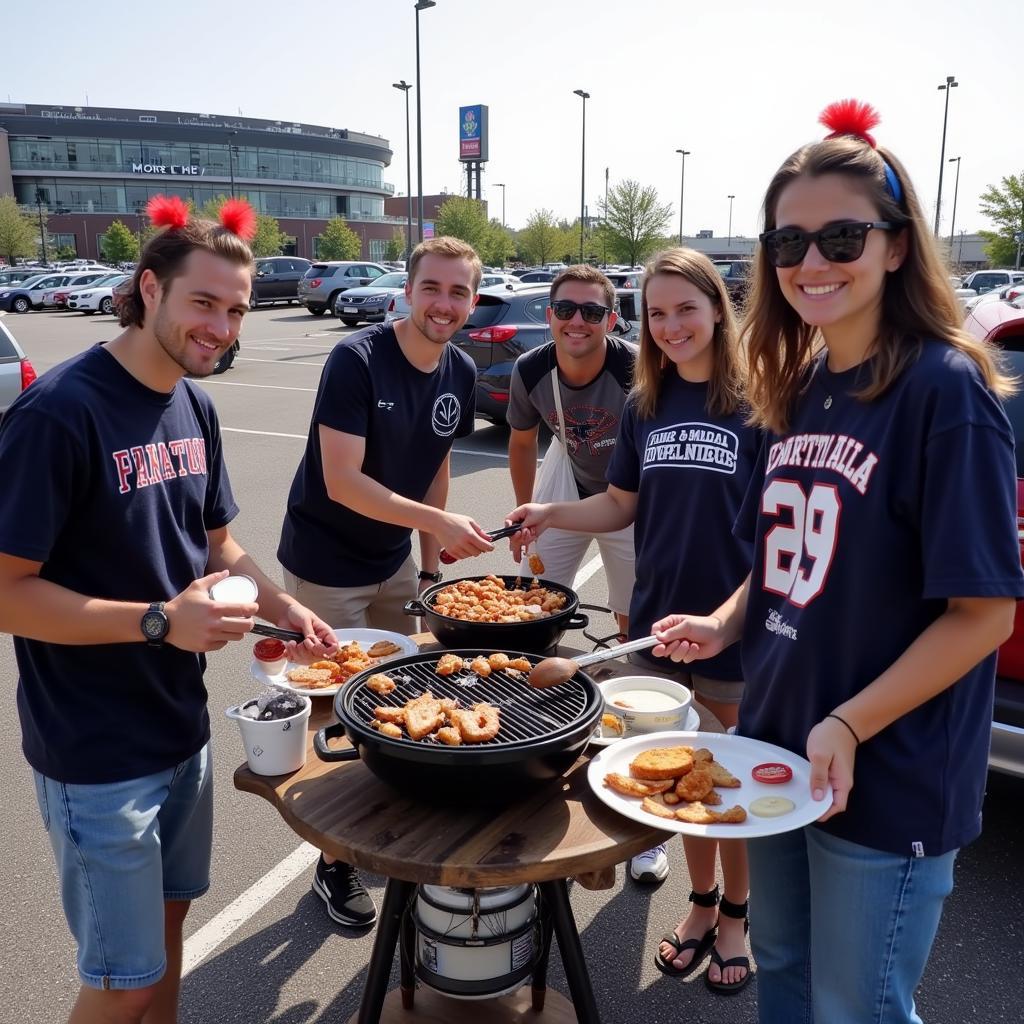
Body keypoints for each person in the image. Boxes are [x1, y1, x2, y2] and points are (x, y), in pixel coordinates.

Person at [651, 100, 1023, 1024]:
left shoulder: (948, 388)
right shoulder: (801, 379)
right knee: (781, 972)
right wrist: (724, 621)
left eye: (842, 237)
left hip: (883, 770)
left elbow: (985, 615)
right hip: (777, 744)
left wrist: (851, 725)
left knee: (854, 1007)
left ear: (896, 246)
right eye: (788, 244)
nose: (811, 263)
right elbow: (778, 562)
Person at [0, 195, 336, 1024]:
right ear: (149, 289)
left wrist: (281, 601)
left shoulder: (195, 406)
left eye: (235, 310)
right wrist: (158, 621)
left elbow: (217, 545)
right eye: (204, 302)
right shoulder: (61, 412)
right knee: (124, 979)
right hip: (96, 747)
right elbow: (6, 593)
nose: (221, 327)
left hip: (178, 725)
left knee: (172, 919)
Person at [508, 248, 760, 992]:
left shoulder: (760, 402)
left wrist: (726, 619)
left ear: (717, 308)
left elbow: (779, 536)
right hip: (658, 620)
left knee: (728, 779)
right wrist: (550, 508)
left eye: (687, 307)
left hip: (730, 626)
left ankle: (738, 916)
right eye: (658, 312)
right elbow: (621, 505)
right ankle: (702, 899)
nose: (673, 324)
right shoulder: (647, 402)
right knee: (676, 769)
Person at [277, 235, 494, 927]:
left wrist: (431, 569)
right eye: (433, 287)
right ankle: (332, 864)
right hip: (324, 561)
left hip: (393, 559)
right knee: (331, 716)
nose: (445, 303)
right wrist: (439, 520)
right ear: (408, 289)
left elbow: (436, 463)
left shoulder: (458, 368)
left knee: (392, 703)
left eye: (459, 292)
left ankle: (380, 837)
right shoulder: (356, 359)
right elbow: (342, 482)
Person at [506, 265, 636, 638]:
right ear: (550, 316)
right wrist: (523, 515)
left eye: (592, 312)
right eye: (565, 310)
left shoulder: (639, 369)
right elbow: (521, 442)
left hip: (630, 493)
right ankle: (529, 674)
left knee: (634, 612)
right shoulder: (530, 369)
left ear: (610, 321)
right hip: (568, 479)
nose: (577, 321)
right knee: (532, 600)